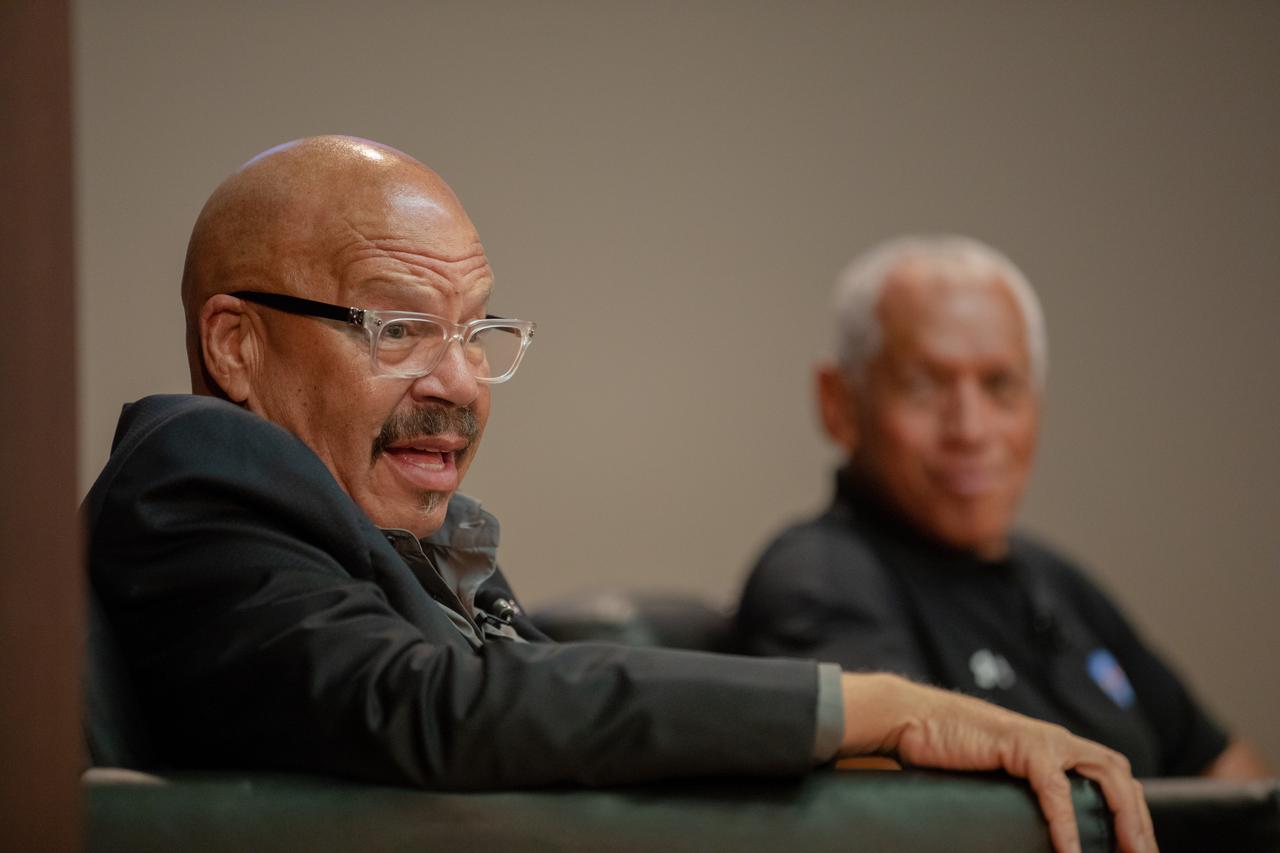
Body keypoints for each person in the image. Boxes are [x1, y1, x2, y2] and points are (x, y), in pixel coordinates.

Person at [84, 138, 1155, 853]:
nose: (457, 382)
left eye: (474, 332)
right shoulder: (202, 469)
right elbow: (433, 708)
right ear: (236, 343)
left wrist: (885, 744)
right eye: (398, 326)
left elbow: (550, 701)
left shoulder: (381, 532)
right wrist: (890, 704)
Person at [734, 235, 1270, 782]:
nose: (970, 429)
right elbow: (888, 816)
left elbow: (1226, 775)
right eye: (923, 386)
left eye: (1000, 385)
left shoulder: (1052, 577)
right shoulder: (820, 576)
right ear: (840, 404)